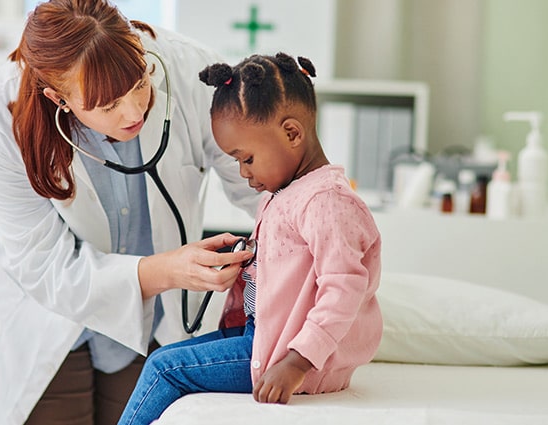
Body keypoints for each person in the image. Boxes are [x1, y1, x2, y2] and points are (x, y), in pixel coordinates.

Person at [0, 1, 260, 424]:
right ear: (58, 98)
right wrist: (167, 271)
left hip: (152, 324)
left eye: (140, 84)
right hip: (41, 321)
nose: (135, 111)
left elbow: (263, 179)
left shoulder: (191, 70)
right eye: (108, 106)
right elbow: (44, 265)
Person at [117, 52, 384, 425]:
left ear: (292, 133)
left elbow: (344, 290)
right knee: (166, 358)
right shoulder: (289, 192)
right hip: (265, 339)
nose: (243, 172)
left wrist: (296, 362)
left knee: (164, 368)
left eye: (247, 158)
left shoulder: (326, 201)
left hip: (291, 356)